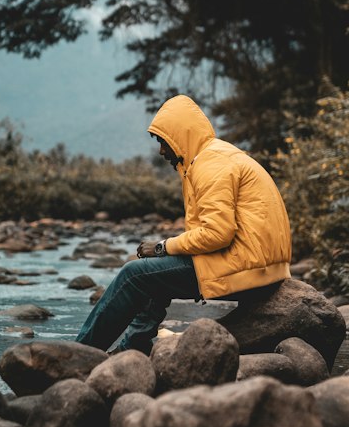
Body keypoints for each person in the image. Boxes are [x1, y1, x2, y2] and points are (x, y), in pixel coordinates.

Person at [75, 94, 292, 354]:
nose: (161, 150)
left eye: (163, 141)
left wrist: (162, 247)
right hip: (258, 264)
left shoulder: (211, 163)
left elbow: (218, 234)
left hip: (245, 265)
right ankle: (131, 348)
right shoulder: (215, 156)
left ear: (179, 136)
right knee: (154, 273)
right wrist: (164, 253)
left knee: (132, 275)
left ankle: (80, 353)